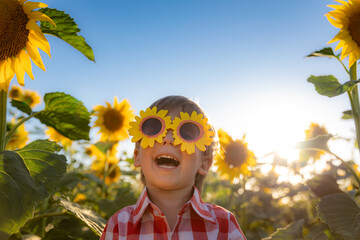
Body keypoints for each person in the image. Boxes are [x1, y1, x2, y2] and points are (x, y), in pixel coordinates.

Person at [100, 95, 246, 240]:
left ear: (204, 163)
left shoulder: (224, 226)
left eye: (187, 133)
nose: (168, 139)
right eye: (154, 129)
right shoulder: (119, 226)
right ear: (137, 156)